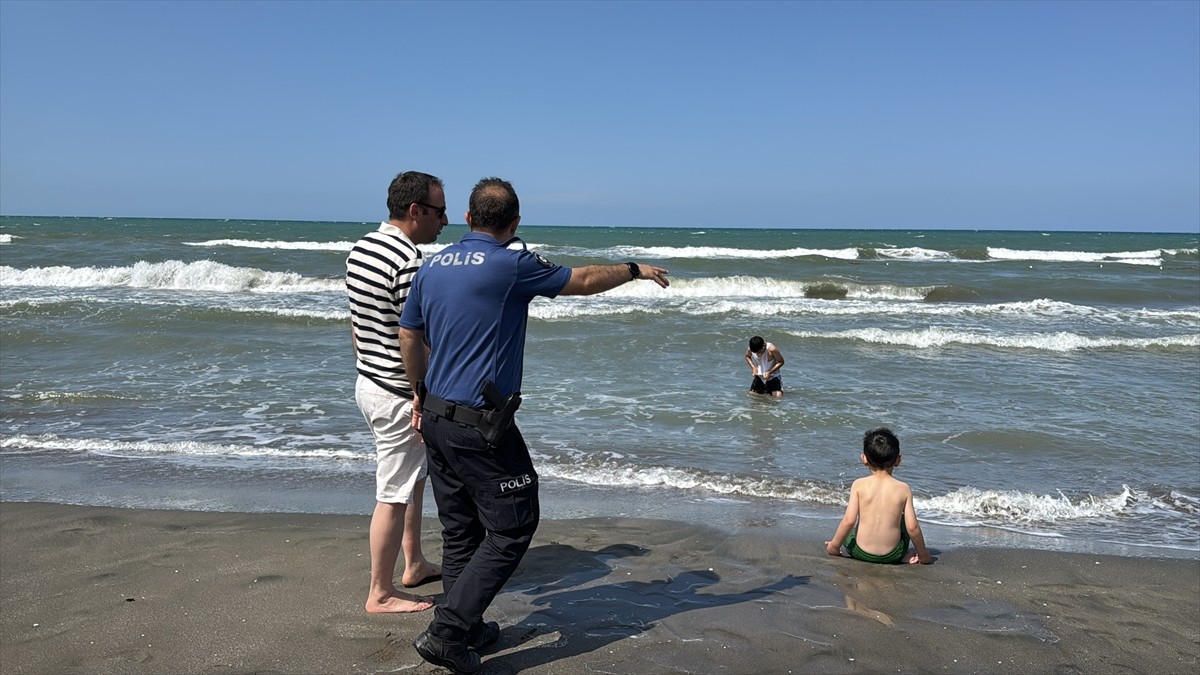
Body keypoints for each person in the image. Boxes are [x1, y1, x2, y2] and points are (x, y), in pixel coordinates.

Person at [399, 177, 670, 674]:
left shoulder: (432, 264)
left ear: (466, 218)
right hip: (480, 426)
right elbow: (583, 280)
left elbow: (409, 333)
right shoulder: (512, 264)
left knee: (461, 530)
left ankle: (468, 625)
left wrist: (418, 393)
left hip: (435, 415)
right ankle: (448, 631)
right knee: (514, 524)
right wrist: (633, 269)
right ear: (515, 223)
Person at [345, 171, 447, 613]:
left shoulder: (361, 248)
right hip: (398, 393)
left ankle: (414, 562)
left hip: (369, 381)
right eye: (439, 212)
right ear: (415, 211)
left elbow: (356, 323)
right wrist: (422, 393)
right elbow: (414, 338)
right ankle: (380, 592)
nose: (444, 221)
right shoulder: (410, 263)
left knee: (412, 478)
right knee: (392, 491)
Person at [825, 428, 933, 565]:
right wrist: (923, 555)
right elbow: (912, 528)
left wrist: (834, 546)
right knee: (904, 520)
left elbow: (849, 521)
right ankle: (903, 555)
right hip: (893, 555)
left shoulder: (858, 485)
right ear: (898, 460)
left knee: (853, 527)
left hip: (859, 552)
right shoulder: (903, 489)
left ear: (864, 458)